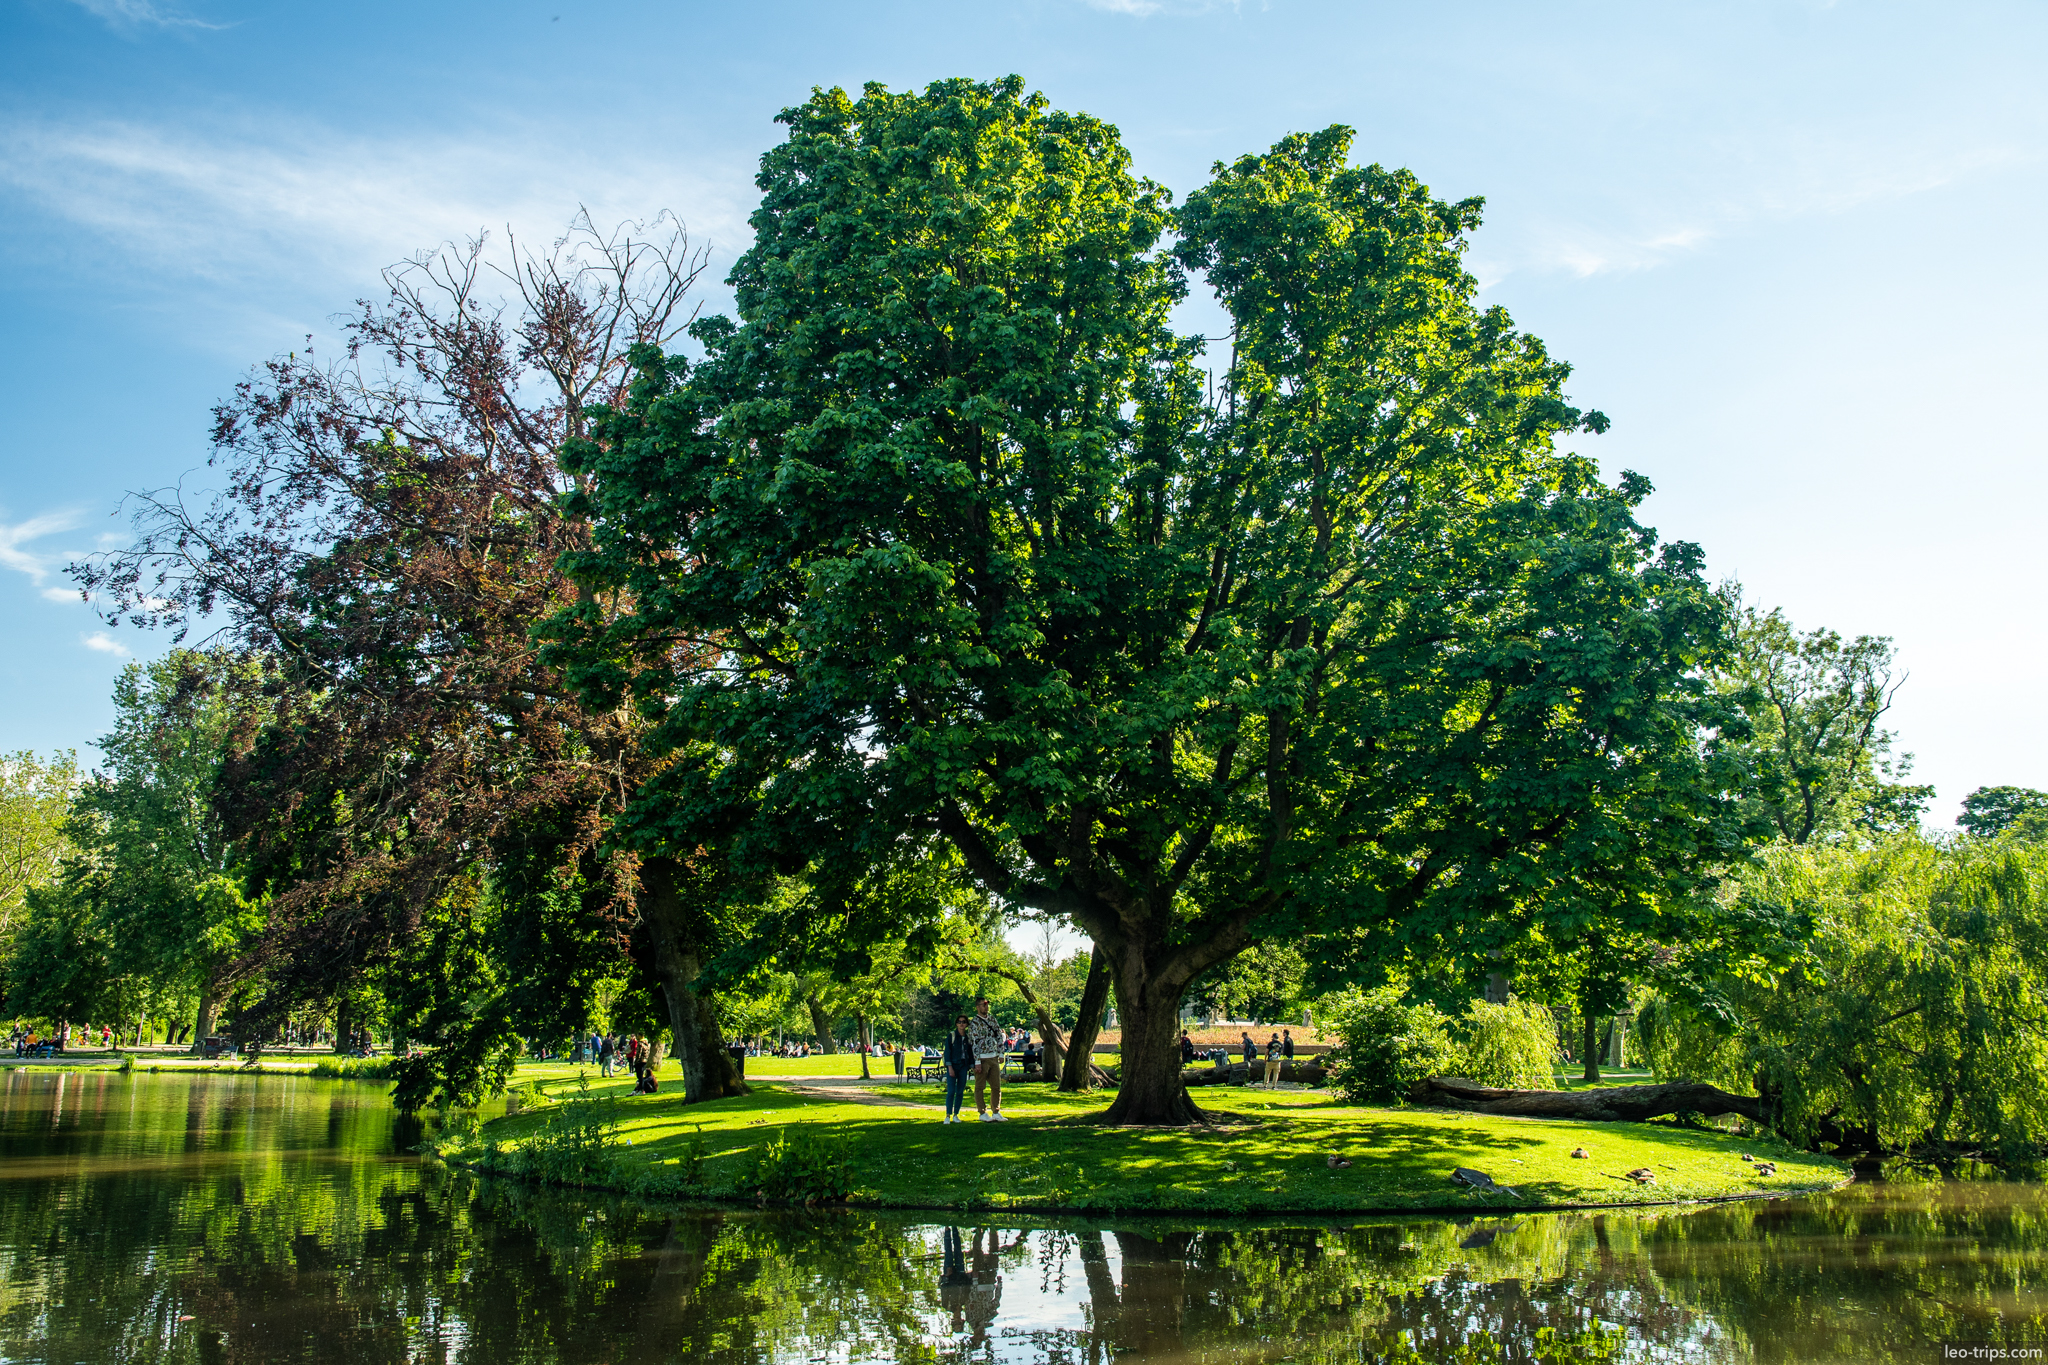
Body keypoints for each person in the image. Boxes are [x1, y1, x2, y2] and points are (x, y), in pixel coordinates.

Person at [968, 997, 1006, 1121]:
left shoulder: (992, 1020)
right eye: (983, 1005)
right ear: (978, 1007)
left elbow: (999, 1036)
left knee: (996, 1086)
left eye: (987, 1005)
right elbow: (973, 1042)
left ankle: (996, 1111)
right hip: (982, 1059)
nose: (986, 1007)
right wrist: (977, 1061)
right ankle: (982, 1112)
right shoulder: (974, 1022)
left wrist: (1001, 1053)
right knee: (980, 1087)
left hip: (993, 1056)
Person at [942, 1013, 974, 1123]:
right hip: (953, 1065)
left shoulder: (968, 1037)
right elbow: (947, 1052)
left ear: (966, 1024)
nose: (961, 1024)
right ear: (956, 1024)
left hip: (963, 1066)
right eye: (959, 1022)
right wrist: (949, 1066)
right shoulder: (952, 1036)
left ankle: (956, 1114)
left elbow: (970, 1052)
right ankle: (947, 1115)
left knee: (960, 1091)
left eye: (964, 1022)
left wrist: (972, 1065)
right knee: (951, 1091)